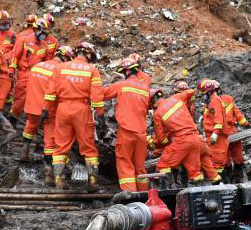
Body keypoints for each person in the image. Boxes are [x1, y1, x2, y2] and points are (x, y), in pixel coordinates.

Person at [45, 41, 104, 190]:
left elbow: (51, 93)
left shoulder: (60, 68)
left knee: (60, 146)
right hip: (81, 109)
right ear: (89, 54)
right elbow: (96, 95)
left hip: (62, 109)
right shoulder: (92, 69)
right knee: (88, 146)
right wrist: (100, 113)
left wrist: (46, 110)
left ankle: (58, 180)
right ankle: (92, 182)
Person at [21, 46, 72, 183]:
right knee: (50, 141)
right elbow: (58, 92)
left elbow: (28, 86)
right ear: (66, 58)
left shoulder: (38, 66)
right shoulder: (59, 71)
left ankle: (24, 152)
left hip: (32, 106)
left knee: (30, 127)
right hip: (48, 110)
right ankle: (48, 175)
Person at [103, 55, 153, 191]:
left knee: (125, 164)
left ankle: (130, 198)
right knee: (140, 167)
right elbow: (146, 78)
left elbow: (103, 93)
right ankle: (143, 195)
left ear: (126, 72)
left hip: (126, 131)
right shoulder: (145, 88)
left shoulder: (122, 85)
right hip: (142, 133)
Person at [149, 87, 206, 187]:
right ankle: (200, 193)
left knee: (163, 164)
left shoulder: (157, 114)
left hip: (182, 140)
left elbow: (162, 139)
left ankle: (167, 190)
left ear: (152, 103)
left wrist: (168, 142)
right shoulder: (177, 98)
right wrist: (188, 105)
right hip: (195, 138)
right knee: (195, 173)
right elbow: (191, 92)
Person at [9, 14, 39, 121]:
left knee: (20, 96)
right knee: (29, 97)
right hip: (33, 74)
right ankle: (16, 117)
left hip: (25, 72)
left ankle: (14, 116)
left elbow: (14, 55)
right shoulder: (24, 38)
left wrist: (12, 69)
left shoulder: (22, 36)